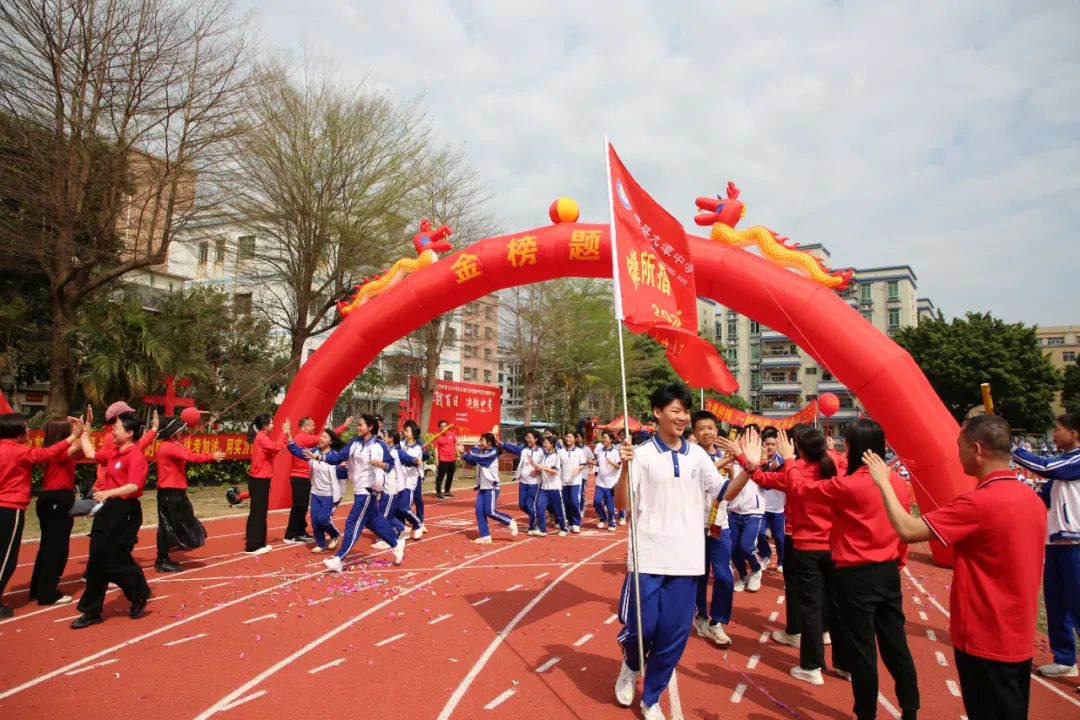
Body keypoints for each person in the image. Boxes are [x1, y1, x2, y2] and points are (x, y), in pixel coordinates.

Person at [870, 414, 1046, 720]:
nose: (958, 453)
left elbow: (908, 530)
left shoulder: (978, 504)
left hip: (984, 637)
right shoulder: (1030, 498)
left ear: (977, 449)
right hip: (1019, 635)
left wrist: (883, 482)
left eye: (960, 446)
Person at [744, 420, 919, 720]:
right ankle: (910, 709)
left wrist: (788, 458)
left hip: (856, 574)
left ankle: (865, 713)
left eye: (845, 444)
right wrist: (898, 561)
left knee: (863, 650)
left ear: (853, 447)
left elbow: (800, 489)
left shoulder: (849, 485)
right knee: (896, 646)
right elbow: (902, 526)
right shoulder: (897, 482)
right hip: (888, 571)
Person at [612, 384, 724, 720]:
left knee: (674, 635)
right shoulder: (641, 454)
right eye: (676, 410)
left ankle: (652, 697)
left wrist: (749, 470)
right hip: (647, 556)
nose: (683, 417)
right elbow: (621, 503)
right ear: (658, 413)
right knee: (643, 628)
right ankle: (631, 663)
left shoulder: (698, 455)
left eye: (685, 412)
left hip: (687, 560)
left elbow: (722, 491)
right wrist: (624, 467)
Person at [750, 426, 840, 685]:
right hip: (833, 546)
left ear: (798, 448)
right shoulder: (836, 468)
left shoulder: (795, 473)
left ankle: (811, 665)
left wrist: (747, 461)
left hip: (806, 546)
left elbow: (764, 478)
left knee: (809, 604)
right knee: (833, 600)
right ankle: (839, 656)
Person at [1009, 412, 1080, 682]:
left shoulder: (1075, 460)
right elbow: (1042, 495)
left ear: (1073, 434)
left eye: (1058, 429)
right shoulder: (1062, 470)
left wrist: (1010, 448)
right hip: (1057, 543)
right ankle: (1064, 659)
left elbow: (1047, 467)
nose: (1055, 433)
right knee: (1057, 603)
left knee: (1078, 604)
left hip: (1076, 543)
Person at [71, 413, 153, 629]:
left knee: (116, 559)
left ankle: (139, 593)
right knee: (97, 557)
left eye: (116, 428)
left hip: (125, 512)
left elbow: (134, 485)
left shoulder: (136, 456)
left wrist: (109, 493)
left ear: (129, 433)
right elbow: (89, 452)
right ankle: (91, 611)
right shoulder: (113, 453)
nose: (112, 431)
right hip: (108, 509)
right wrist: (85, 429)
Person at [1, 414, 82, 617]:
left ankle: (40, 590)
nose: (29, 431)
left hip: (13, 506)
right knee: (6, 560)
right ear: (15, 431)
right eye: (25, 427)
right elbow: (48, 454)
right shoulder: (17, 451)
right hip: (10, 507)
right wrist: (75, 435)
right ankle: (45, 592)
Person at [321, 413, 405, 571]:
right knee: (373, 521)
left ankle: (339, 558)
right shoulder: (355, 442)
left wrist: (381, 465)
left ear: (370, 427)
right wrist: (320, 457)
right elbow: (339, 456)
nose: (358, 428)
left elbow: (390, 464)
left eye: (360, 425)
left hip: (368, 489)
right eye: (358, 425)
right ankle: (396, 543)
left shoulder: (379, 445)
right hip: (358, 488)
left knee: (352, 522)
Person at [153, 416, 226, 572]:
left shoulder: (173, 444)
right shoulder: (168, 447)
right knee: (168, 526)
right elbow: (191, 457)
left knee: (176, 522)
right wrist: (211, 456)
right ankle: (162, 559)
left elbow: (187, 452)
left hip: (175, 491)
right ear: (172, 432)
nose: (182, 432)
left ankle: (167, 554)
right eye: (180, 430)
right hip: (170, 493)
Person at [689, 410, 734, 649]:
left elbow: (730, 488)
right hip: (696, 525)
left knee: (724, 576)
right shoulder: (692, 455)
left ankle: (718, 621)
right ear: (694, 432)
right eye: (702, 428)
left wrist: (735, 464)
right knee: (699, 575)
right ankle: (701, 617)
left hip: (720, 525)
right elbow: (702, 476)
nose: (708, 432)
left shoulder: (728, 456)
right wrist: (725, 462)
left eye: (712, 428)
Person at [28, 418, 84, 606]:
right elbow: (78, 445)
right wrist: (83, 429)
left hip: (53, 500)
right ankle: (47, 593)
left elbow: (83, 448)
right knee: (56, 549)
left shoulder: (56, 449)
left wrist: (83, 429)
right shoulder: (60, 451)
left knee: (48, 548)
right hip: (56, 501)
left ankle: (39, 589)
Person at [284, 416, 350, 544]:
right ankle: (313, 541)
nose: (319, 436)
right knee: (311, 516)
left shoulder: (333, 455)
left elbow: (343, 471)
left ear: (330, 442)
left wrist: (342, 468)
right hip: (312, 488)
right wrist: (289, 436)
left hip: (329, 493)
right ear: (306, 426)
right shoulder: (309, 445)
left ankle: (330, 534)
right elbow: (296, 450)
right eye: (313, 425)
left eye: (324, 437)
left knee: (321, 518)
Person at [727, 425, 768, 592]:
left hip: (753, 512)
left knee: (746, 546)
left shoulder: (761, 460)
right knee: (732, 548)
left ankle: (756, 570)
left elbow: (764, 479)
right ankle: (743, 576)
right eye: (744, 436)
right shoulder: (729, 459)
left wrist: (754, 459)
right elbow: (727, 486)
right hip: (733, 510)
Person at [461, 433, 518, 544]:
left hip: (491, 487)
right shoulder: (482, 452)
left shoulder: (492, 453)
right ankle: (485, 536)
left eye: (482, 441)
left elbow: (477, 457)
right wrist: (463, 453)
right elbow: (473, 461)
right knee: (479, 511)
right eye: (480, 440)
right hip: (482, 487)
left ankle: (510, 521)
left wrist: (473, 449)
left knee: (490, 511)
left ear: (489, 443)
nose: (480, 443)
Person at [244, 414, 287, 555]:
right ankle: (253, 546)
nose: (273, 425)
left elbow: (272, 452)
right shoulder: (262, 438)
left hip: (262, 479)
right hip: (259, 480)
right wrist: (284, 434)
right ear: (264, 425)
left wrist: (279, 445)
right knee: (258, 513)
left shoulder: (263, 437)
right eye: (271, 423)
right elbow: (275, 447)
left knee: (260, 512)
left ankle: (259, 543)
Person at [501, 430, 543, 534]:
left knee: (530, 504)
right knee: (522, 505)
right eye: (527, 437)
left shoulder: (541, 451)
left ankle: (532, 526)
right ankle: (536, 516)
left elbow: (545, 464)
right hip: (523, 481)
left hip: (534, 482)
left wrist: (538, 470)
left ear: (536, 439)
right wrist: (501, 443)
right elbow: (513, 448)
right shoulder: (523, 449)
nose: (528, 439)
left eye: (530, 438)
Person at [531, 435, 567, 536]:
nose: (544, 444)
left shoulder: (557, 456)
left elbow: (554, 471)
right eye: (544, 442)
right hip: (544, 488)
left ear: (552, 444)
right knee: (539, 507)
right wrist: (535, 467)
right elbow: (541, 469)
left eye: (546, 443)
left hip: (555, 487)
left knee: (558, 510)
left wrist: (542, 467)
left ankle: (564, 528)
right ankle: (542, 529)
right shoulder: (545, 455)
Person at [398, 422, 427, 540]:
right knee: (397, 508)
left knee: (404, 507)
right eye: (404, 430)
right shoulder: (399, 444)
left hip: (410, 481)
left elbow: (411, 462)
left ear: (414, 434)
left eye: (407, 431)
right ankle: (402, 529)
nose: (405, 433)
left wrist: (404, 457)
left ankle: (418, 524)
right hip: (398, 480)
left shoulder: (417, 449)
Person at [558, 432, 587, 533]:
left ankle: (576, 522)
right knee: (566, 502)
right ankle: (570, 522)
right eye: (567, 437)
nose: (568, 439)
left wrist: (577, 469)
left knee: (575, 502)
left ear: (575, 439)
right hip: (564, 481)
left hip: (575, 481)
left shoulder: (579, 451)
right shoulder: (561, 451)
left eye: (570, 437)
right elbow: (558, 465)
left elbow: (583, 464)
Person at [593, 430, 622, 531]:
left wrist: (611, 462)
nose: (603, 439)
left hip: (610, 483)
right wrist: (592, 462)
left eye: (605, 437)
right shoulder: (600, 451)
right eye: (603, 437)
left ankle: (611, 522)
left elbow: (618, 466)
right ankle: (602, 517)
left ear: (611, 440)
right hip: (600, 481)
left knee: (610, 507)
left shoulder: (615, 452)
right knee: (596, 502)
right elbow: (599, 463)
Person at [433, 420, 458, 499]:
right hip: (443, 459)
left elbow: (455, 445)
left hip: (452, 459)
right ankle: (438, 493)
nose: (443, 427)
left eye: (445, 426)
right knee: (440, 476)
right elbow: (436, 449)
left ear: (447, 426)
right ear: (439, 427)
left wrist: (458, 455)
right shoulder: (437, 437)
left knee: (450, 476)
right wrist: (436, 459)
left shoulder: (452, 435)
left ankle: (447, 491)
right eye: (442, 426)